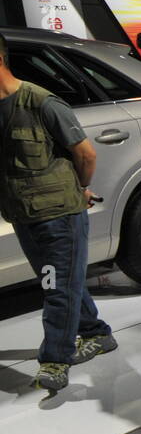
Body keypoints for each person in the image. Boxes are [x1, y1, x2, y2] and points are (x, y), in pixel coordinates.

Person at [0, 32, 115, 392]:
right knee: (62, 282)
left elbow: (86, 153)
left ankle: (54, 360)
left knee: (56, 287)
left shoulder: (41, 102)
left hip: (59, 215)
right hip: (24, 213)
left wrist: (80, 189)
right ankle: (97, 334)